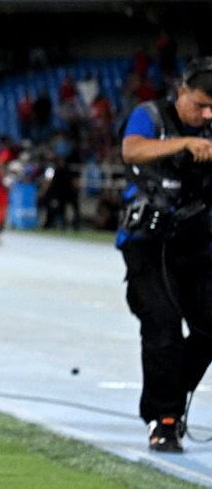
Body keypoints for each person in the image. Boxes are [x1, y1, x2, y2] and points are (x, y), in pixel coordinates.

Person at [117, 57, 212, 453]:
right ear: (182, 92)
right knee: (163, 326)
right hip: (148, 244)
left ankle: (170, 392)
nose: (206, 114)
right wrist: (186, 142)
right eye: (201, 105)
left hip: (197, 242)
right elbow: (132, 150)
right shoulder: (150, 116)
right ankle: (165, 418)